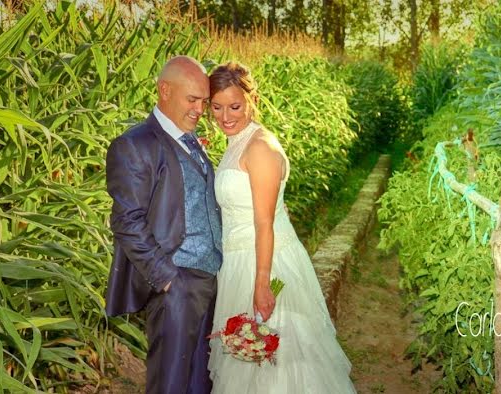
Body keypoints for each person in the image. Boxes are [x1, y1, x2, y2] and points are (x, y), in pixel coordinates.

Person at [206, 61, 355, 393]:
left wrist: (261, 284)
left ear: (251, 100)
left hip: (264, 264)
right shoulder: (237, 141)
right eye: (216, 107)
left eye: (234, 106)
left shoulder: (259, 147)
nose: (225, 116)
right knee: (247, 364)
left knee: (282, 365)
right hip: (238, 261)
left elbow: (264, 221)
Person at [105, 55, 222, 394]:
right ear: (164, 90)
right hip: (176, 285)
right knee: (170, 384)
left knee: (201, 381)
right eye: (192, 100)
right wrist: (167, 279)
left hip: (210, 281)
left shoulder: (191, 141)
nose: (200, 110)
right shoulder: (134, 144)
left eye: (203, 101)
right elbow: (126, 220)